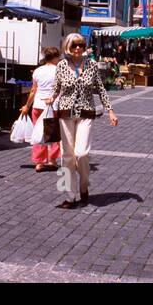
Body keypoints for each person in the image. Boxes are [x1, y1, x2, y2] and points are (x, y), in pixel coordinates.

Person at [48, 33, 119, 209]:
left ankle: (84, 185)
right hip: (65, 113)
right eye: (74, 46)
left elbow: (101, 89)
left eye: (80, 45)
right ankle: (69, 195)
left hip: (86, 113)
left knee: (81, 153)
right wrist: (51, 98)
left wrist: (110, 110)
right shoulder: (62, 65)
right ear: (68, 48)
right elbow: (56, 88)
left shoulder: (91, 65)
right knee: (67, 157)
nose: (78, 49)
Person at [20, 47, 63, 172]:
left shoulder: (37, 71)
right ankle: (53, 160)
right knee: (54, 134)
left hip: (38, 105)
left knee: (38, 133)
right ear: (55, 57)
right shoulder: (59, 70)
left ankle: (39, 162)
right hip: (53, 105)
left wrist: (27, 106)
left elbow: (33, 90)